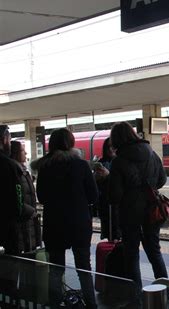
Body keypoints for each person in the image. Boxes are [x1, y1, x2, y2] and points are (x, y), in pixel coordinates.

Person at [36, 128, 98, 308]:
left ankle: (55, 304)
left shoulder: (45, 167)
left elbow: (41, 197)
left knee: (55, 270)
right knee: (84, 268)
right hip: (79, 224)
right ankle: (91, 304)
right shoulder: (81, 165)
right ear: (71, 143)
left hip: (54, 224)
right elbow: (93, 197)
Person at [108, 122, 168, 306]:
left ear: (116, 139)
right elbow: (162, 179)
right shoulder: (151, 153)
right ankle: (165, 291)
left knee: (131, 256)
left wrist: (106, 180)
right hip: (152, 211)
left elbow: (114, 196)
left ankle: (136, 299)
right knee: (154, 252)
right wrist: (147, 189)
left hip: (130, 214)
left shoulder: (118, 161)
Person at [0, 125, 35, 255]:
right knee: (12, 265)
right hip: (8, 226)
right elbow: (17, 198)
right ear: (4, 140)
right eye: (9, 140)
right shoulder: (8, 165)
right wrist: (28, 212)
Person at [10, 141, 41, 253]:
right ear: (15, 153)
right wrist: (30, 211)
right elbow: (14, 198)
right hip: (22, 223)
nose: (26, 153)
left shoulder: (22, 170)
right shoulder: (14, 171)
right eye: (23, 150)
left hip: (27, 222)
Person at [94, 137, 121, 240]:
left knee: (118, 233)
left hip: (118, 206)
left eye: (113, 147)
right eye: (107, 147)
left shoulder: (121, 162)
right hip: (105, 204)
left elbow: (122, 182)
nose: (110, 149)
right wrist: (95, 178)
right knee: (109, 233)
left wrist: (108, 175)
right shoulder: (101, 162)